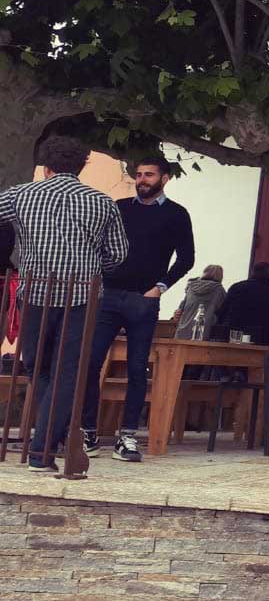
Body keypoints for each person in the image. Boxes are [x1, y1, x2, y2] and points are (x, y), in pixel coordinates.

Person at [0, 136, 128, 473]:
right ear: (82, 166)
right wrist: (90, 265)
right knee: (67, 372)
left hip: (34, 294)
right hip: (82, 297)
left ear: (46, 167)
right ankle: (45, 446)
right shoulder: (102, 202)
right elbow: (118, 254)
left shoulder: (20, 195)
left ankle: (43, 444)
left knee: (37, 367)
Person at [80, 154, 194, 464]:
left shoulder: (177, 215)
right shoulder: (119, 208)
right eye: (139, 174)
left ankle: (127, 437)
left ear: (164, 178)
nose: (142, 180)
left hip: (144, 301)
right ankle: (87, 432)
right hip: (107, 296)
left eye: (149, 175)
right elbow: (97, 245)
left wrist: (160, 287)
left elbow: (187, 258)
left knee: (136, 369)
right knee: (90, 363)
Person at [217, 262, 269, 347]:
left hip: (235, 334)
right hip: (262, 338)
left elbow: (222, 311)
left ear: (252, 272)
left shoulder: (236, 287)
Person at [175, 265, 226, 342]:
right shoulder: (219, 290)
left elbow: (181, 308)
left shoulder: (191, 287)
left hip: (182, 331)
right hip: (204, 332)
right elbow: (224, 311)